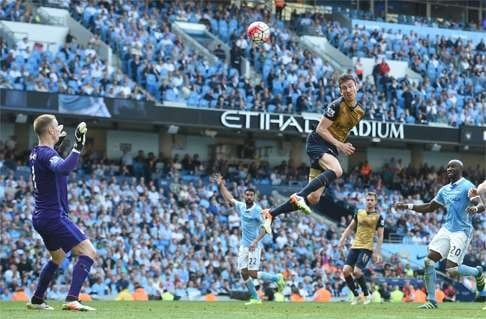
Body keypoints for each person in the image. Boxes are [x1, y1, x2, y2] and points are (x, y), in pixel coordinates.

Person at [262, 74, 365, 233]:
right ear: (340, 91)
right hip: (317, 143)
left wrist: (339, 145)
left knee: (314, 198)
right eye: (343, 88)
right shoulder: (336, 105)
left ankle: (271, 213)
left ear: (357, 86)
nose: (348, 90)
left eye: (350, 86)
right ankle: (299, 195)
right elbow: (321, 129)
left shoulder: (359, 112)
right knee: (337, 170)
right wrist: (340, 145)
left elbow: (340, 130)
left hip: (330, 148)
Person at [27, 114, 96, 311]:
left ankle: (37, 299)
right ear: (50, 131)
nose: (59, 128)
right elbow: (64, 168)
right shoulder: (47, 155)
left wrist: (58, 141)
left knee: (57, 258)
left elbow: (50, 165)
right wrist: (77, 146)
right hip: (53, 216)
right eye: (56, 127)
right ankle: (72, 298)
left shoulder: (35, 152)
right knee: (89, 252)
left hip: (40, 216)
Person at [394, 159, 484, 309]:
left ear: (460, 169)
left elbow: (480, 204)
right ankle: (431, 300)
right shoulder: (444, 190)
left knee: (452, 270)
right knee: (428, 261)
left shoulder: (468, 186)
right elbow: (429, 207)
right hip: (446, 229)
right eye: (448, 166)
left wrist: (475, 209)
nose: (449, 168)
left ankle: (477, 272)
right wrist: (407, 206)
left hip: (461, 231)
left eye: (453, 166)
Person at [215, 174, 285, 305]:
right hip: (244, 245)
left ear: (254, 197)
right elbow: (230, 198)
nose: (249, 197)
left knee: (252, 273)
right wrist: (220, 185)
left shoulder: (257, 210)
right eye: (247, 195)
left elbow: (266, 226)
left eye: (251, 195)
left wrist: (256, 241)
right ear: (244, 196)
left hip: (254, 246)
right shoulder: (241, 206)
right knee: (243, 272)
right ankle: (255, 298)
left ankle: (277, 278)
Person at [338, 192, 384, 305]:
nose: (369, 202)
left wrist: (377, 252)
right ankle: (356, 295)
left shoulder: (378, 217)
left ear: (375, 202)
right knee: (345, 271)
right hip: (355, 245)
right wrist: (342, 240)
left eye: (372, 200)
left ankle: (367, 294)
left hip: (367, 247)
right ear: (365, 201)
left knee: (357, 271)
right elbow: (350, 227)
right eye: (368, 199)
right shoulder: (359, 212)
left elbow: (380, 235)